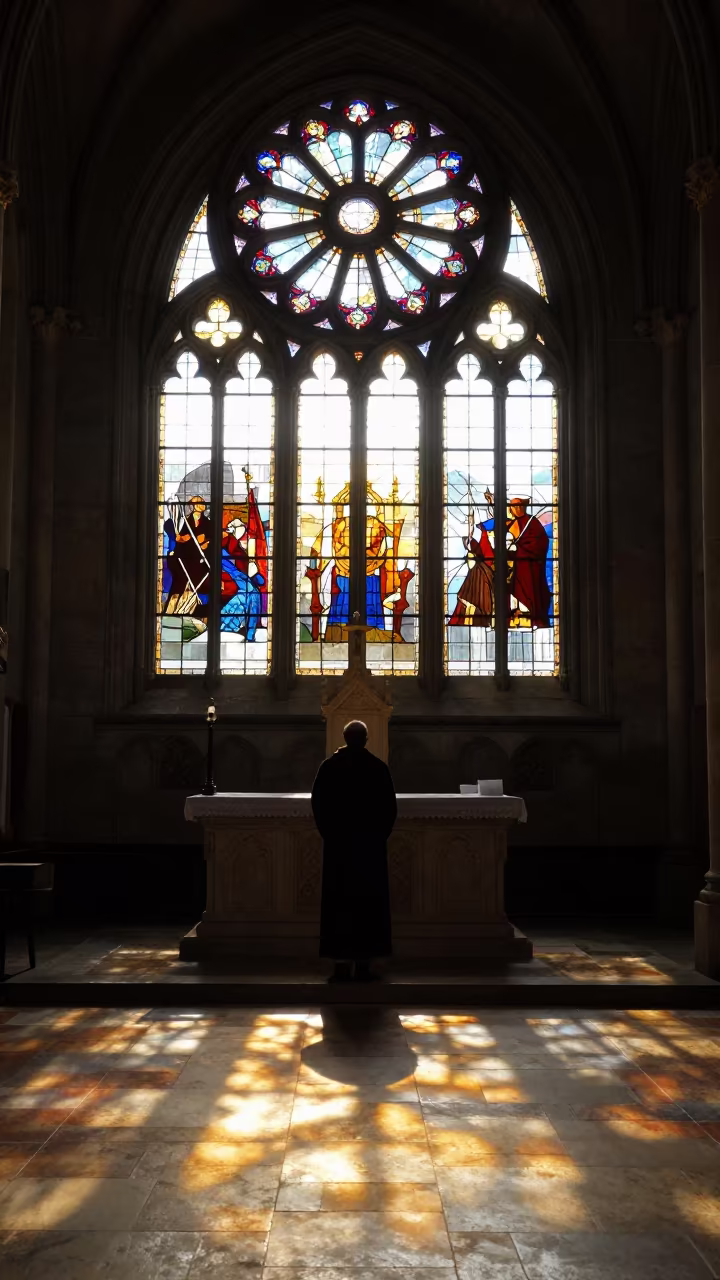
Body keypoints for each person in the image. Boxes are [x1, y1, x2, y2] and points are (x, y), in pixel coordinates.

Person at [311, 720, 397, 982]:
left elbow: (319, 804)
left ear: (345, 737)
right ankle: (364, 963)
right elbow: (389, 809)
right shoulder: (377, 768)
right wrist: (377, 837)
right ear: (366, 739)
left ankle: (339, 964)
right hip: (369, 849)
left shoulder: (330, 767)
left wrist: (331, 835)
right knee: (366, 905)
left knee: (340, 903)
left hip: (339, 848)